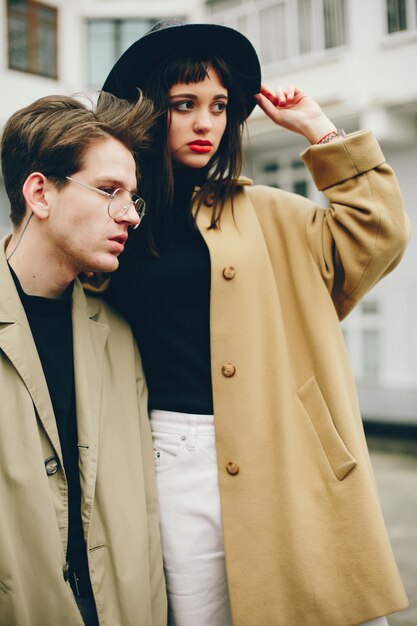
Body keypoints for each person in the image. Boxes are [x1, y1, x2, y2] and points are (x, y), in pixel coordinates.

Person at [91, 19, 410, 626]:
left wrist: (320, 130)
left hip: (283, 446)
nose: (206, 122)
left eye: (219, 106)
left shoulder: (266, 212)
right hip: (167, 456)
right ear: (148, 112)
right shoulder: (115, 221)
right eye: (184, 105)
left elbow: (380, 235)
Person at [0, 93, 167, 626]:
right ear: (39, 194)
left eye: (133, 199)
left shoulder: (116, 337)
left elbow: (143, 512)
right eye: (110, 191)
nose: (129, 216)